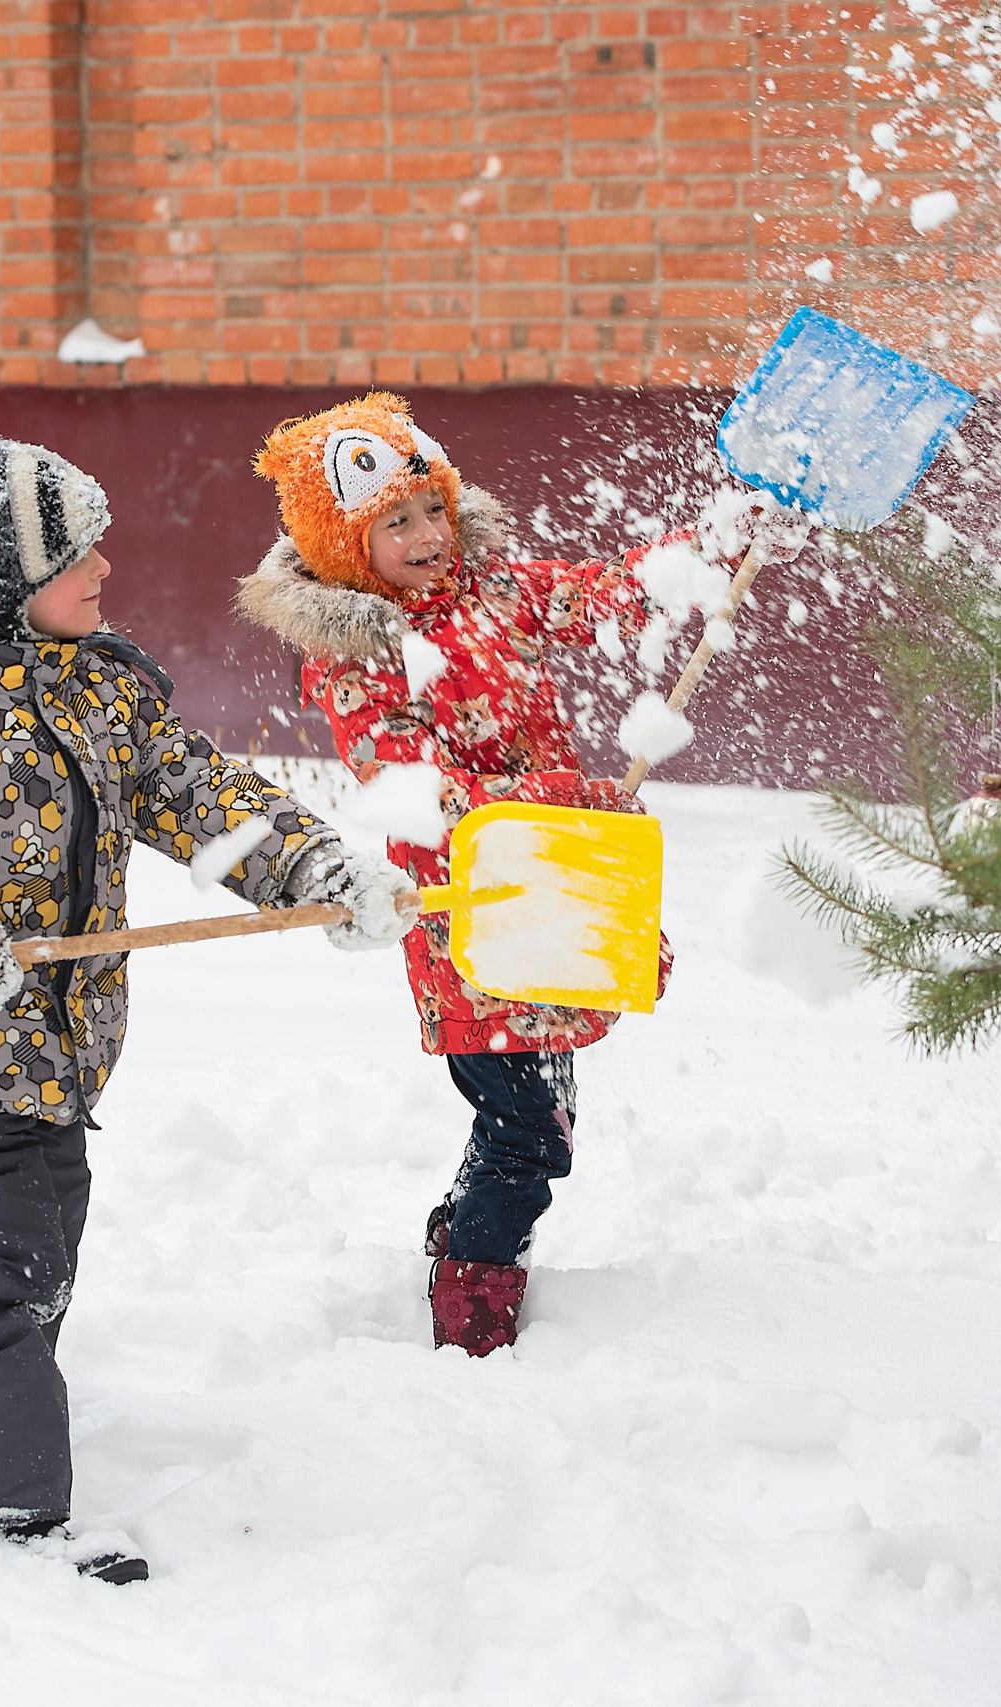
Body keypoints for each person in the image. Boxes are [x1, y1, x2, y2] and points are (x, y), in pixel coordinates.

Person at [0, 426, 417, 1580]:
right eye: (78, 556)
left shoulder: (94, 693)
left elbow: (198, 793)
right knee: (6, 1281)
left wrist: (315, 871)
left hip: (56, 1061)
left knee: (12, 1265)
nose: (106, 571)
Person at [236, 394, 803, 1355]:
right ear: (344, 549)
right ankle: (473, 1302)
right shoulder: (360, 662)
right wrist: (563, 798)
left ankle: (465, 1229)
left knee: (536, 1110)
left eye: (432, 508)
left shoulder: (494, 591)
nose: (426, 536)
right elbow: (420, 793)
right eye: (394, 524)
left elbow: (613, 591)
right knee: (528, 1133)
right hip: (473, 917)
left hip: (548, 891)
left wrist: (717, 541)